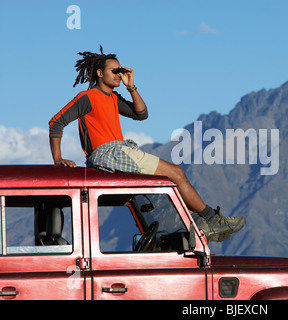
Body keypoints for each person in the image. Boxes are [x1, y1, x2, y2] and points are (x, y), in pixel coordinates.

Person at [49, 45, 245, 242]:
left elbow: (141, 114)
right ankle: (213, 219)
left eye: (121, 71)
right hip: (109, 152)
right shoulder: (88, 97)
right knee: (176, 173)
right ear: (100, 73)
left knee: (164, 185)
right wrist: (58, 159)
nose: (119, 74)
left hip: (119, 150)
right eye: (114, 71)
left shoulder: (113, 98)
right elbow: (56, 122)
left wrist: (131, 86)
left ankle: (196, 223)